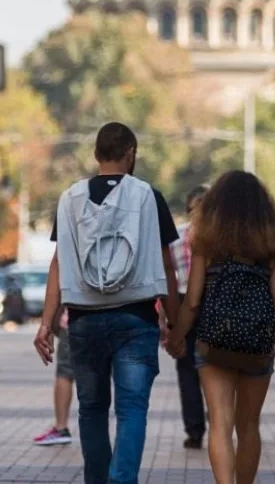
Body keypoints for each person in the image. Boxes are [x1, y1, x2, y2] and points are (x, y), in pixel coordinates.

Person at [33, 122, 180, 484]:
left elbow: (59, 263)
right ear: (130, 153)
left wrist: (46, 323)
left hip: (83, 320)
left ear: (96, 154)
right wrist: (174, 323)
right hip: (136, 318)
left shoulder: (70, 199)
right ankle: (122, 480)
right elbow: (166, 265)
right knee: (132, 410)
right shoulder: (148, 196)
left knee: (93, 409)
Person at [167, 171, 275, 484]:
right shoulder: (273, 245)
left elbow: (193, 301)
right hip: (257, 345)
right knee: (249, 425)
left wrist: (176, 336)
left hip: (214, 342)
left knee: (220, 423)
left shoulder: (207, 240)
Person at [170, 184, 209, 450]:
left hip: (184, 303)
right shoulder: (221, 238)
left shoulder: (175, 238)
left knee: (186, 369)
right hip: (212, 304)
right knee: (217, 365)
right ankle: (221, 420)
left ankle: (194, 431)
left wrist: (168, 320)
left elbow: (168, 280)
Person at [33, 306, 74, 446]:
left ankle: (61, 427)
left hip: (76, 321)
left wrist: (47, 325)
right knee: (98, 375)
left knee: (65, 374)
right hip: (118, 321)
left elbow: (56, 288)